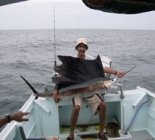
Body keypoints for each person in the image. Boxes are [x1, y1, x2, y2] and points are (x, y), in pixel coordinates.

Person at [53, 38, 125, 140]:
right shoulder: (73, 60)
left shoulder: (90, 59)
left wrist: (116, 72)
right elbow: (61, 76)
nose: (82, 49)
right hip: (77, 91)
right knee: (76, 108)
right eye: (80, 47)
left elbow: (103, 69)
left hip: (91, 90)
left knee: (103, 105)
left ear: (86, 48)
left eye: (83, 47)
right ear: (77, 48)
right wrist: (56, 90)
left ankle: (101, 133)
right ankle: (71, 134)